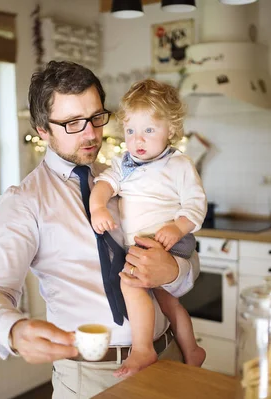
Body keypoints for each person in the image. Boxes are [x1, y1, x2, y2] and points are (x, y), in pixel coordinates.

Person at [0, 61, 200, 399]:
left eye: (97, 117)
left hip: (169, 356)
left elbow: (188, 262)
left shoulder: (127, 176)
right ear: (42, 129)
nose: (92, 133)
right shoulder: (23, 201)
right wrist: (13, 330)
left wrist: (174, 270)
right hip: (92, 376)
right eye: (72, 123)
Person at [89, 79, 207, 377]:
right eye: (131, 131)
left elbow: (196, 205)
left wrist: (178, 228)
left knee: (130, 283)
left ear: (171, 130)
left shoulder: (179, 164)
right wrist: (98, 207)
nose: (137, 140)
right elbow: (104, 184)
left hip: (170, 242)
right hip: (141, 246)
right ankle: (192, 350)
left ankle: (143, 350)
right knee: (167, 300)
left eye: (149, 131)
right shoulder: (123, 163)